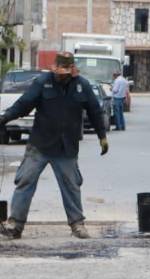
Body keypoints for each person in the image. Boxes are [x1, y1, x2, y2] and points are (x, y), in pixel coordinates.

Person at [0, 52, 108, 241]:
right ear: (54, 69)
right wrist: (4, 117)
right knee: (25, 182)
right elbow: (23, 104)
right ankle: (15, 224)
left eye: (64, 72)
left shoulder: (82, 85)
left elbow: (95, 111)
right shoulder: (43, 82)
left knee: (71, 186)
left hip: (66, 147)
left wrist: (102, 136)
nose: (61, 75)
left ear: (72, 70)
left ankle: (77, 225)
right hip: (40, 145)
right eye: (58, 72)